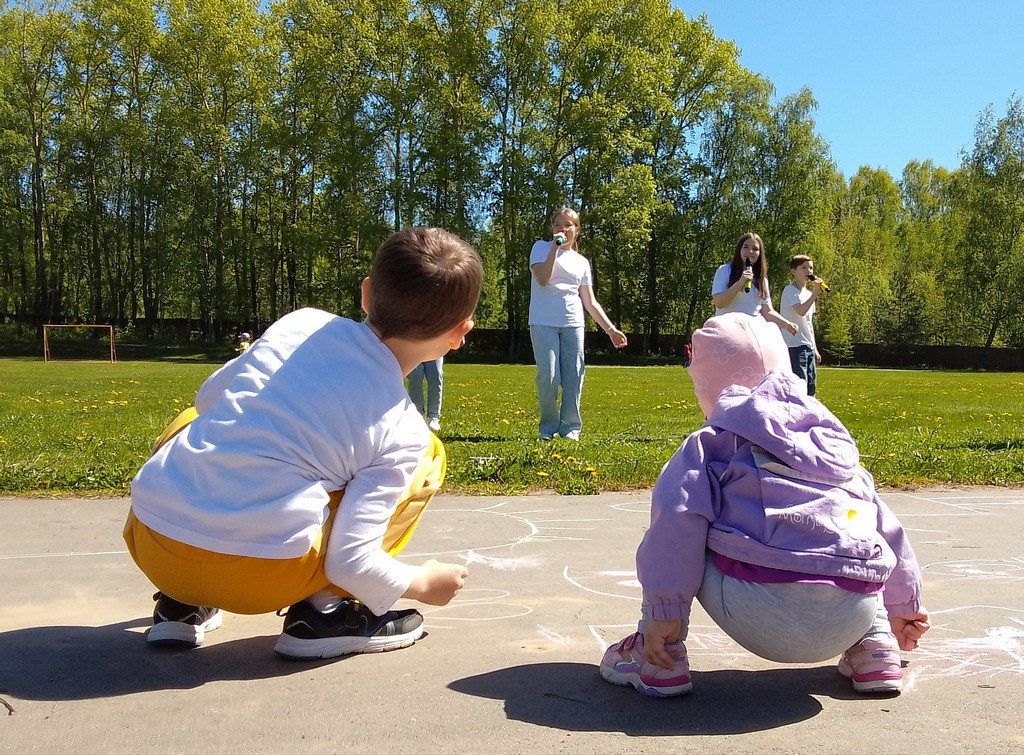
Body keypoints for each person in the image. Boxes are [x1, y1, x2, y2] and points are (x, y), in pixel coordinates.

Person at [124, 227, 483, 660]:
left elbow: (208, 400)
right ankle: (322, 615)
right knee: (429, 454)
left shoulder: (302, 323)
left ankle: (180, 604)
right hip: (262, 578)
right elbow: (351, 561)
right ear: (459, 333)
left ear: (366, 294)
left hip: (154, 545)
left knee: (190, 420)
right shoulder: (402, 429)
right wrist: (421, 583)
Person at [600, 313, 929, 697]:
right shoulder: (830, 444)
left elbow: (676, 522)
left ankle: (659, 656)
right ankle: (874, 647)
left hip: (759, 610)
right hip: (853, 613)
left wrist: (664, 612)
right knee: (854, 529)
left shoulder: (710, 444)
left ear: (708, 387)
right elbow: (885, 525)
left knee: (684, 526)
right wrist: (904, 604)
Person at [528, 207, 627, 441]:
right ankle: (548, 428)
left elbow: (590, 301)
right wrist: (555, 248)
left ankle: (571, 428)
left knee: (574, 376)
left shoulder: (581, 262)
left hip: (573, 323)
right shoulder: (540, 248)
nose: (561, 230)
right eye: (557, 225)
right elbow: (542, 278)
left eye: (567, 225)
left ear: (577, 230)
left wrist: (611, 330)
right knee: (548, 376)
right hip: (543, 322)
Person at [711, 232, 799, 337]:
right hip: (726, 333)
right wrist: (740, 282)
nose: (750, 251)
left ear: (760, 253)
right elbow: (720, 303)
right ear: (739, 250)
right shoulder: (724, 270)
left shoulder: (762, 280)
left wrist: (787, 324)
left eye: (755, 249)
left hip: (751, 334)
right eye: (746, 247)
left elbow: (767, 312)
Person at [780, 255, 824, 395]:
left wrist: (814, 348)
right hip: (794, 346)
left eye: (810, 268)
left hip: (807, 346)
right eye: (804, 267)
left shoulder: (808, 294)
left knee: (811, 387)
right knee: (800, 386)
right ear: (793, 271)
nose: (808, 271)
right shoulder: (790, 290)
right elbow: (801, 311)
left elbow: (809, 323)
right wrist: (816, 293)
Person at [407, 357, 444, 432]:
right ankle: (417, 415)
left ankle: (433, 417)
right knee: (416, 376)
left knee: (436, 375)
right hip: (414, 350)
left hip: (434, 350)